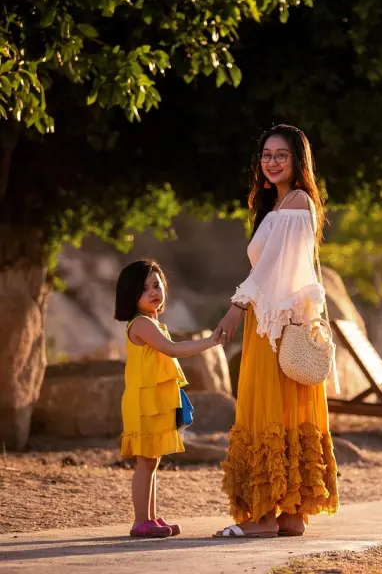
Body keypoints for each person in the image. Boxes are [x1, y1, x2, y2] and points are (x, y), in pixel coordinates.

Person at [213, 124, 339, 539]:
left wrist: (236, 306)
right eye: (266, 154)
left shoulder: (298, 201)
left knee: (266, 408)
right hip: (277, 322)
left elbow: (269, 269)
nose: (272, 161)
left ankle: (263, 517)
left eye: (281, 154)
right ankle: (289, 516)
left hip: (275, 326)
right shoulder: (279, 203)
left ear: (298, 160)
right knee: (283, 410)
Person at [115, 259, 221, 538]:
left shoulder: (153, 323)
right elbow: (172, 350)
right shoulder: (140, 325)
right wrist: (211, 341)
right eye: (144, 288)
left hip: (153, 401)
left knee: (152, 461)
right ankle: (140, 522)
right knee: (145, 461)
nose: (153, 291)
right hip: (143, 402)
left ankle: (149, 518)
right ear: (130, 296)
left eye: (157, 284)